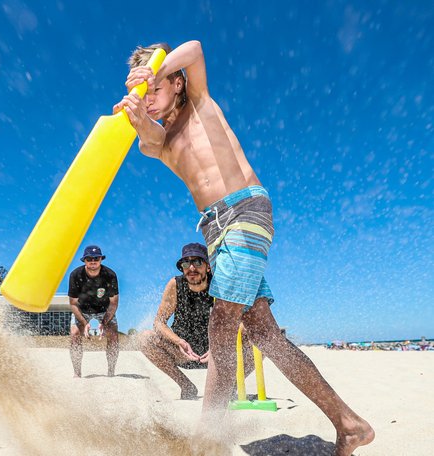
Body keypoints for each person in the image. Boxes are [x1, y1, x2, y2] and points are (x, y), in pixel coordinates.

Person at [114, 41, 373, 453]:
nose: (150, 102)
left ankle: (207, 441)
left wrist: (155, 68)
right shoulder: (160, 140)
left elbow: (195, 49)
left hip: (244, 209)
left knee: (222, 322)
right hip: (214, 233)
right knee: (265, 334)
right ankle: (349, 423)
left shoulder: (199, 101)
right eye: (144, 98)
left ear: (176, 83)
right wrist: (137, 110)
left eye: (156, 91)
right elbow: (148, 141)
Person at [67, 245, 119, 377]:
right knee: (74, 334)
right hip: (82, 309)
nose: (93, 261)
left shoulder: (110, 275)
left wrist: (105, 322)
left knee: (113, 334)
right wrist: (85, 324)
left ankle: (111, 372)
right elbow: (73, 303)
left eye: (96, 258)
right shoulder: (75, 275)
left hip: (104, 309)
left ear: (101, 259)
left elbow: (113, 303)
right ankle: (77, 373)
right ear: (84, 260)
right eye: (89, 258)